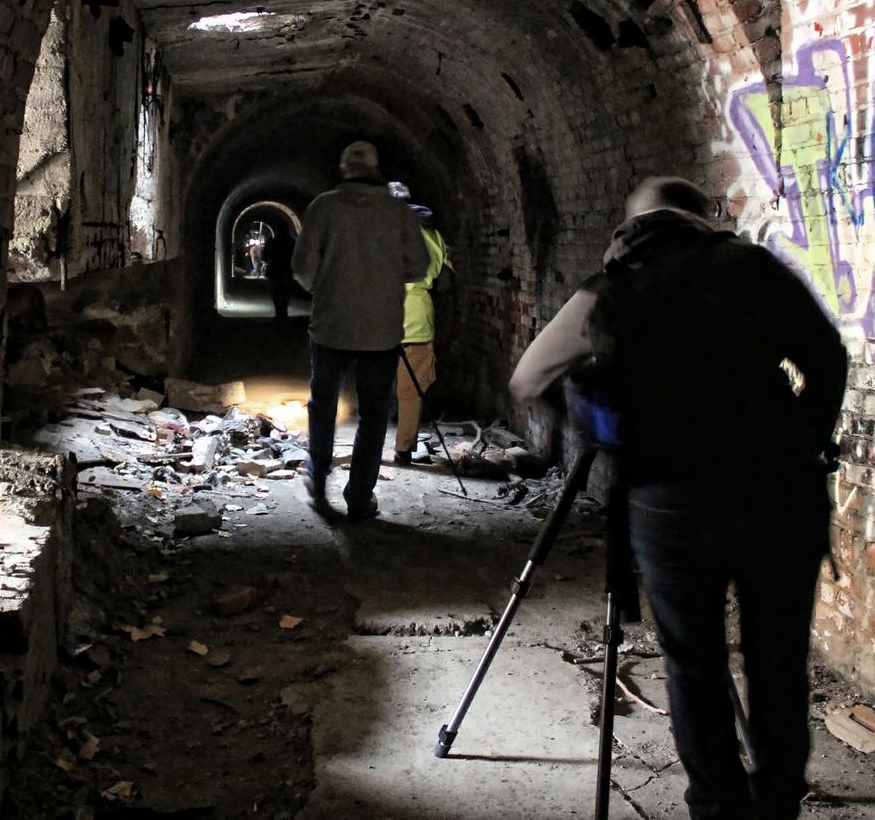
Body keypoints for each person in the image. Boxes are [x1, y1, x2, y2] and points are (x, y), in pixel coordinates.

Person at [509, 177, 847, 820]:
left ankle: (717, 807)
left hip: (670, 499)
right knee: (778, 659)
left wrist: (597, 428)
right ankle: (776, 804)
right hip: (778, 491)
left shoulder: (609, 289)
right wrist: (802, 441)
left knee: (693, 661)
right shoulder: (754, 269)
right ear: (703, 218)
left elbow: (528, 378)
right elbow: (826, 357)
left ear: (631, 226)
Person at [293, 141, 430, 520]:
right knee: (372, 415)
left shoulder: (323, 207)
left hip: (330, 327)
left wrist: (324, 288)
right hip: (381, 331)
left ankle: (318, 480)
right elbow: (419, 267)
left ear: (343, 170)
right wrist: (384, 281)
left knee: (323, 406)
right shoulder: (398, 212)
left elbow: (302, 266)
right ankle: (359, 496)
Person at [388, 181, 453, 466]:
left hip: (380, 317)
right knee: (411, 389)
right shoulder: (433, 235)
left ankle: (368, 444)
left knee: (373, 382)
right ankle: (404, 449)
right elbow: (446, 282)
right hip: (418, 318)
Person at [261, 229, 297, 321]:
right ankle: (284, 312)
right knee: (285, 291)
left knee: (276, 291)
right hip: (287, 269)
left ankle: (278, 312)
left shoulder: (272, 242)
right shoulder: (292, 242)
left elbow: (264, 257)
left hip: (275, 270)